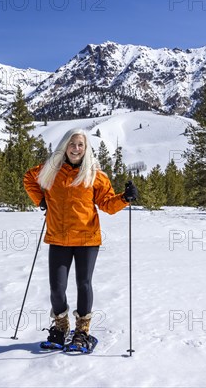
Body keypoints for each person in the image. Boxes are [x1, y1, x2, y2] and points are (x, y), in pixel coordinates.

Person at [23, 128, 138, 350]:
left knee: (83, 284)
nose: (76, 149)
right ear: (65, 146)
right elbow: (29, 178)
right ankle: (61, 326)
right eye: (72, 144)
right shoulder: (50, 171)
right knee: (57, 288)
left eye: (80, 145)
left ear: (86, 149)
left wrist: (125, 198)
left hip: (87, 239)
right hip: (57, 237)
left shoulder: (94, 175)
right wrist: (41, 201)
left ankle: (82, 332)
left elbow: (107, 204)